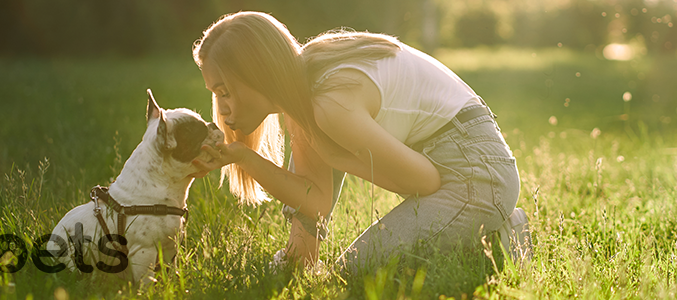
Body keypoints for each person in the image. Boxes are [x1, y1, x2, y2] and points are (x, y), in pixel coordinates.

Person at [190, 11, 531, 273]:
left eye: (224, 92)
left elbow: (424, 181)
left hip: (478, 174)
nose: (221, 110)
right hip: (464, 159)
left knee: (352, 272)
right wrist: (244, 157)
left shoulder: (329, 104)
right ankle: (481, 231)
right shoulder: (304, 89)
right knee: (356, 268)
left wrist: (337, 156)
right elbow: (316, 201)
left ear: (258, 73)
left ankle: (496, 241)